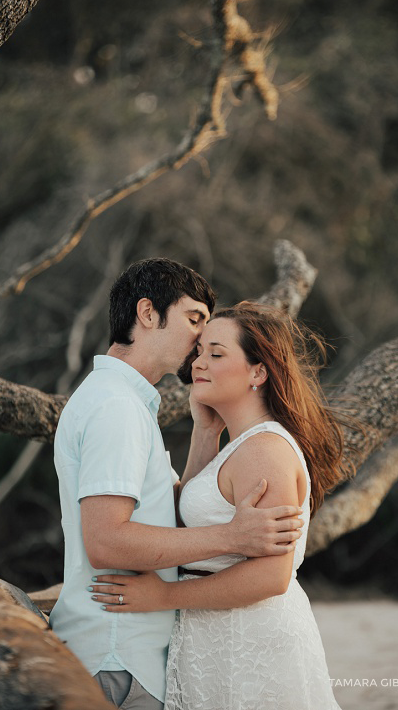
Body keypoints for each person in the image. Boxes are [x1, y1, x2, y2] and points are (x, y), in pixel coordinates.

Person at [47, 259, 305, 710]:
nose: (198, 343)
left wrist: (206, 434)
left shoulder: (124, 403)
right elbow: (106, 540)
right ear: (147, 314)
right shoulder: (117, 409)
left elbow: (168, 511)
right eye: (193, 320)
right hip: (120, 654)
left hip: (136, 652)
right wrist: (231, 536)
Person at [90, 301, 349, 709]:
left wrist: (163, 597)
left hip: (251, 644)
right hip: (217, 638)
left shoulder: (265, 451)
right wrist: (205, 432)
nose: (198, 363)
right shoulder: (238, 445)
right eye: (199, 352)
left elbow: (271, 576)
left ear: (258, 372)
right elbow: (180, 522)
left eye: (216, 353)